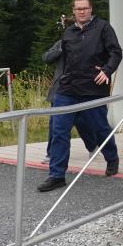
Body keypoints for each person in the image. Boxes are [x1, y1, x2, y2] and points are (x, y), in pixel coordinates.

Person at [38, 0, 123, 193]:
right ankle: (56, 175)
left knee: (99, 128)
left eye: (85, 8)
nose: (82, 11)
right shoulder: (68, 32)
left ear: (91, 9)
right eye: (78, 9)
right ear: (73, 11)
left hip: (93, 88)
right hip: (67, 90)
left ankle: (112, 157)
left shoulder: (103, 28)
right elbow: (62, 60)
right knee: (59, 131)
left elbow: (116, 52)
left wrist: (107, 70)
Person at [41, 19, 97, 164]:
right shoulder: (60, 44)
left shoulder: (89, 44)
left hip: (81, 90)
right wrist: (60, 50)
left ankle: (92, 146)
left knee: (82, 122)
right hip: (60, 90)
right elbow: (46, 58)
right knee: (55, 123)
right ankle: (51, 153)